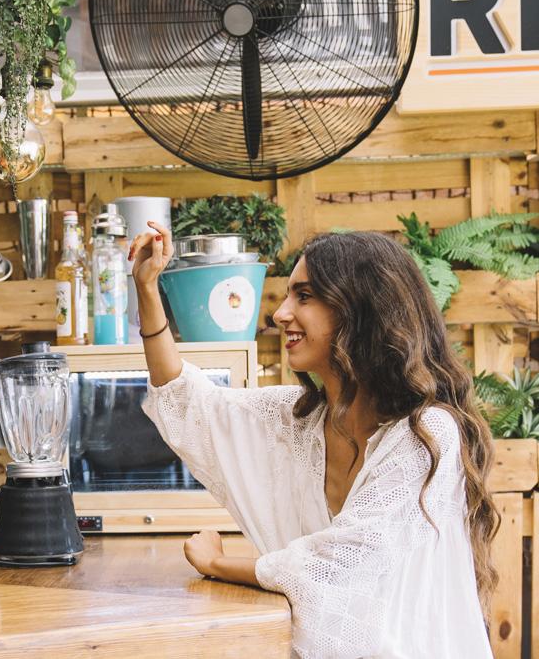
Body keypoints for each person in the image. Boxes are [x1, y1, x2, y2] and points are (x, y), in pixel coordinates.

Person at [129, 223, 498, 658]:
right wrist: (148, 289)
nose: (281, 313)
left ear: (361, 310)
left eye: (304, 296)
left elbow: (335, 568)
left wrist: (215, 563)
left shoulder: (426, 435)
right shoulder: (298, 421)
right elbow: (189, 402)